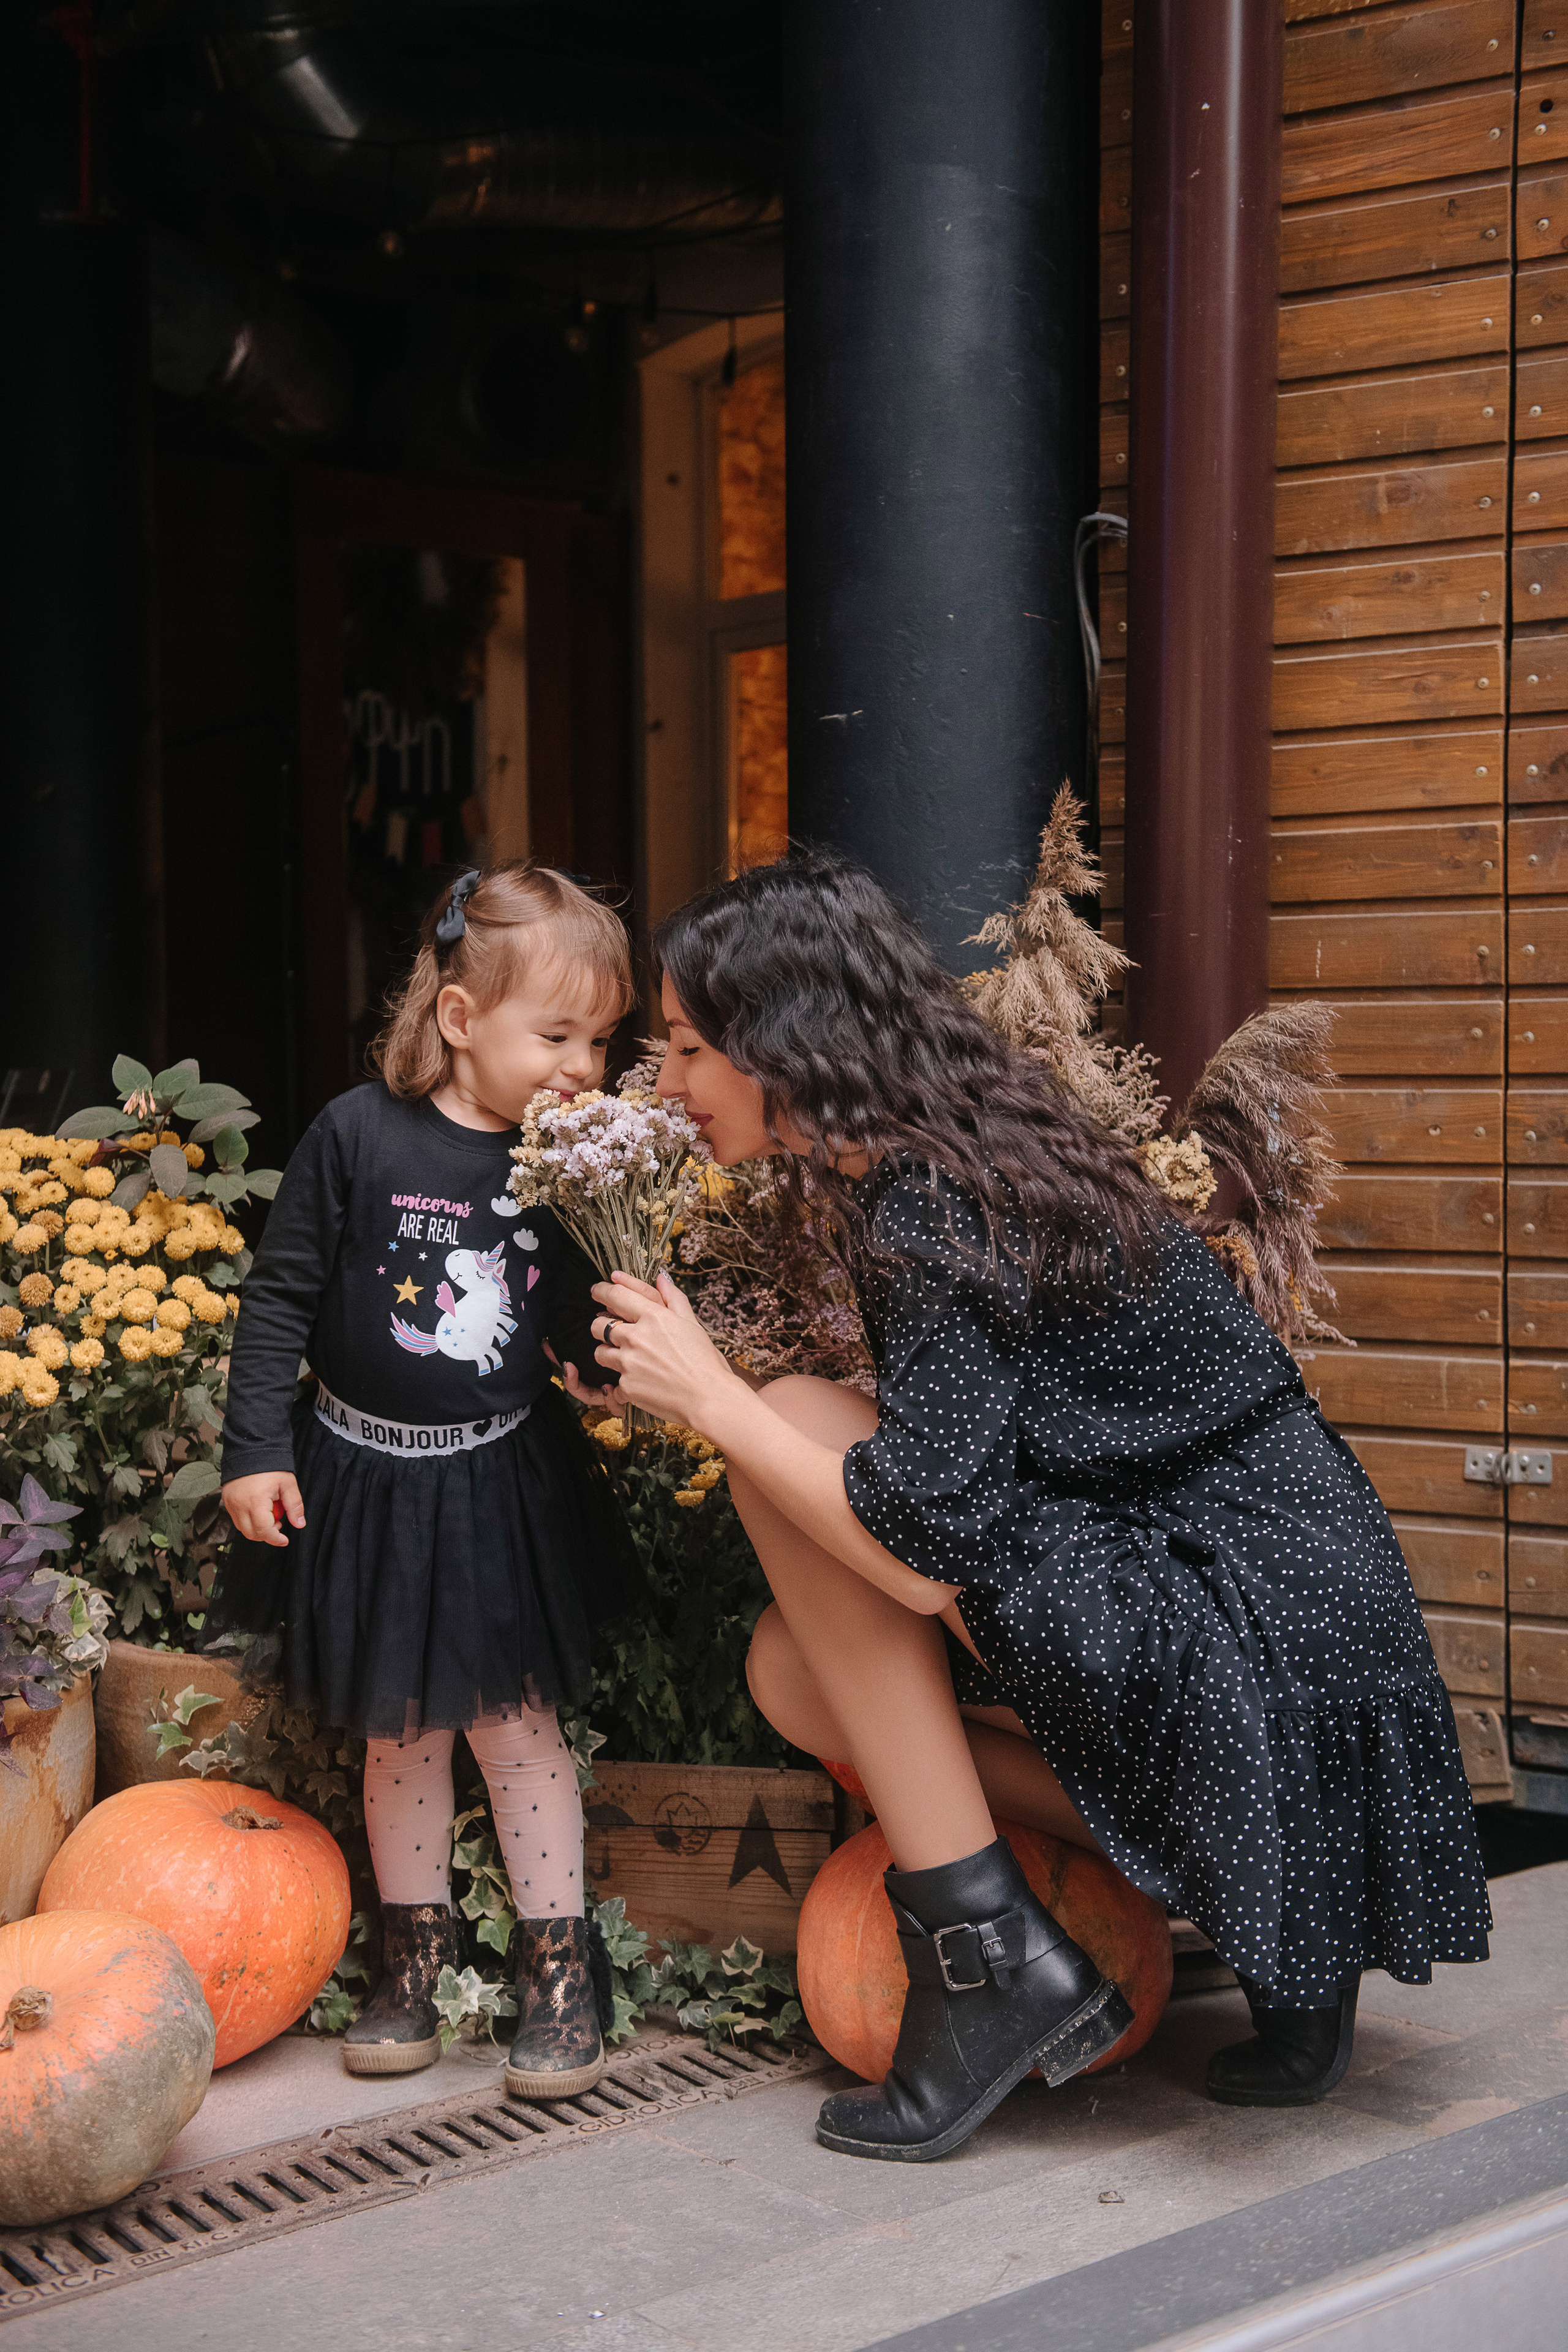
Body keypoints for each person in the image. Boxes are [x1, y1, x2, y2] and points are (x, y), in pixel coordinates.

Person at [571, 854, 1491, 2165]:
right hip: (1296, 1596)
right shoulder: (978, 1138)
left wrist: (715, 1403)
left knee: (777, 1427)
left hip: (1221, 1605)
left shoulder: (923, 1205)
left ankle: (983, 1960)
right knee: (791, 1662)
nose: (666, 1086)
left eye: (684, 1047)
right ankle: (1271, 1901)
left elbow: (919, 1550)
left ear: (780, 1044)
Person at [213, 863, 640, 2097]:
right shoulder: (355, 1136)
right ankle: (413, 1964)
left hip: (498, 1481)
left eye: (600, 1041)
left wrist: (593, 1362)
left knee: (514, 1725)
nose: (581, 1066)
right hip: (364, 1476)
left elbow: (560, 1309)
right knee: (398, 1732)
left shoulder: (564, 1165)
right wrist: (255, 1450)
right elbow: (282, 1296)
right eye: (554, 1034)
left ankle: (559, 1975)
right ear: (460, 1019)